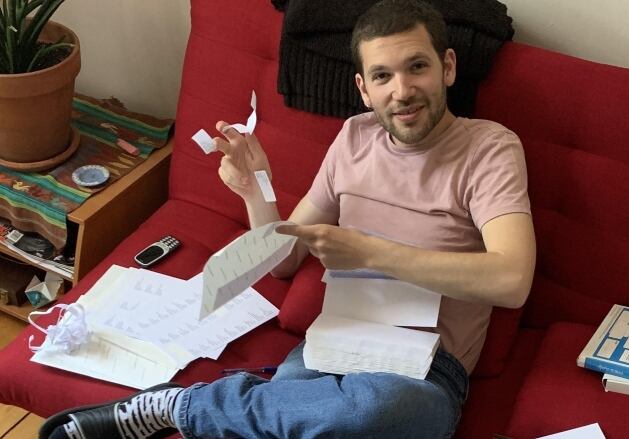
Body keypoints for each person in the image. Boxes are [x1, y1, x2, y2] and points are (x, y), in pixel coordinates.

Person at [40, 0, 535, 438]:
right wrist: (257, 187)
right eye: (382, 76)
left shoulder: (488, 148)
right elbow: (284, 259)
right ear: (363, 89)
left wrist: (370, 252)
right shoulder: (353, 139)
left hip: (424, 370)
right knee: (324, 422)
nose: (401, 91)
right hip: (332, 345)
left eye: (417, 67)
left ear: (447, 67)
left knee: (381, 414)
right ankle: (249, 407)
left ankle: (178, 405)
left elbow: (511, 279)